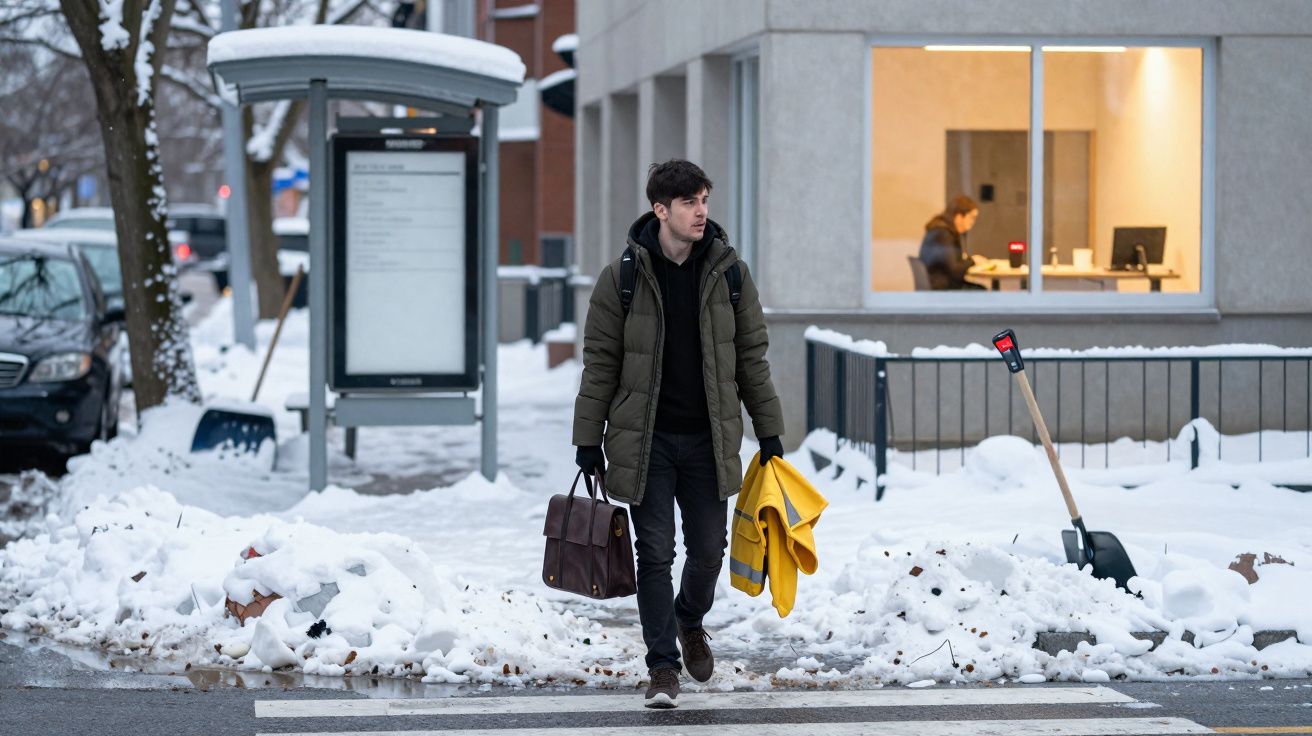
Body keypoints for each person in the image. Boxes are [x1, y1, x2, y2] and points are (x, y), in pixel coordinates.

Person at [572, 159, 785, 709]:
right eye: (689, 202)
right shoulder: (621, 278)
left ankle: (689, 619)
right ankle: (662, 666)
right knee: (656, 554)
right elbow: (600, 363)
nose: (700, 212)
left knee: (710, 550)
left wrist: (770, 431)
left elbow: (751, 359)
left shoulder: (730, 274)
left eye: (704, 200)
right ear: (660, 209)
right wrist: (587, 439)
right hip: (645, 442)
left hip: (710, 440)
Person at [918, 195, 985, 290]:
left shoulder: (938, 230)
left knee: (980, 289)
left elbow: (949, 263)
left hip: (936, 285)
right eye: (971, 218)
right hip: (942, 288)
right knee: (981, 291)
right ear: (959, 217)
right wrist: (973, 261)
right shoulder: (944, 235)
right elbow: (956, 271)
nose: (972, 222)